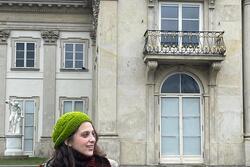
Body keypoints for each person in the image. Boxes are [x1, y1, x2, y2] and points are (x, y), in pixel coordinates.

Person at [40, 111, 111, 167]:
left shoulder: (103, 164)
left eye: (93, 134)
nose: (93, 139)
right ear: (68, 141)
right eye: (85, 135)